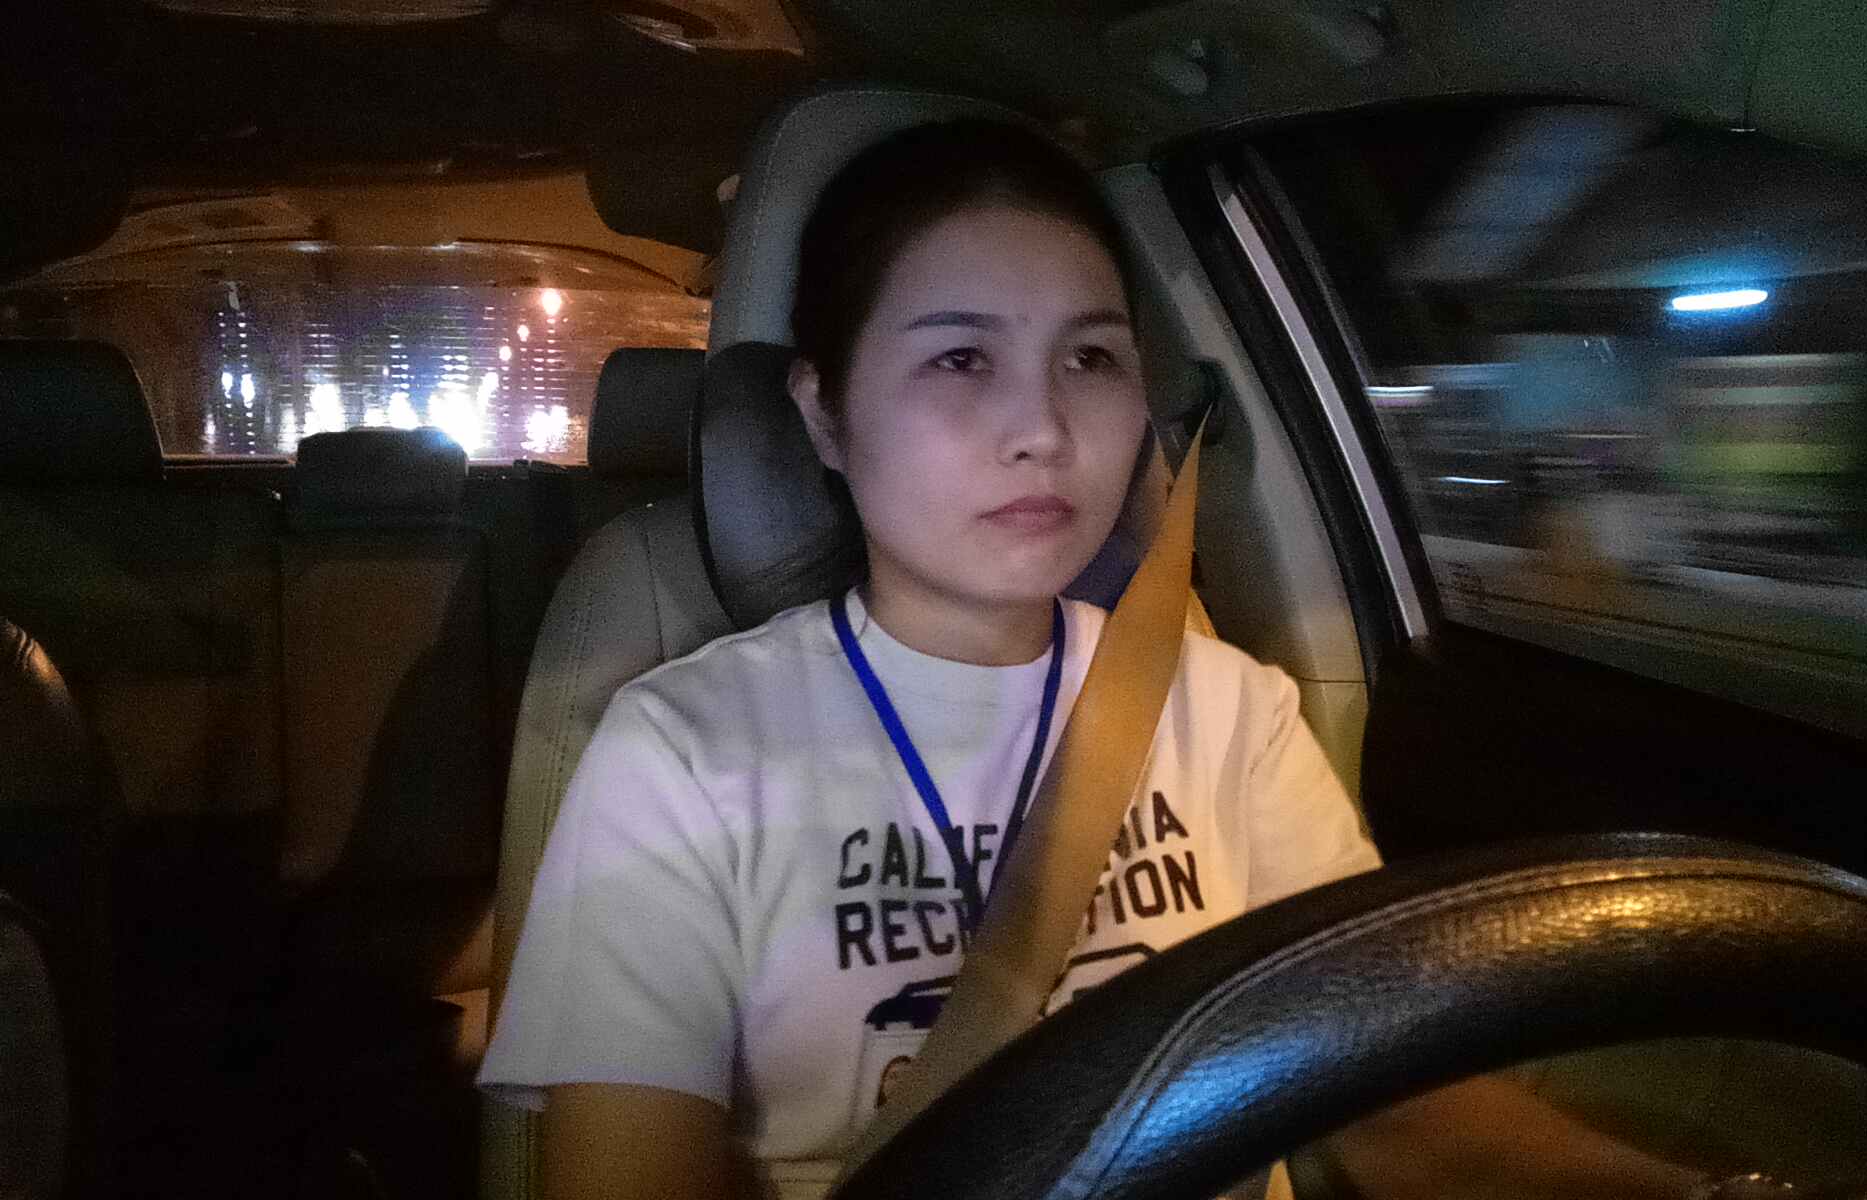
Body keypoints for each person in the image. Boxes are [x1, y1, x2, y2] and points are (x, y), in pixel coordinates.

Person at [477, 120, 1792, 1200]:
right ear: (824, 414)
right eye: (960, 358)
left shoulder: (1230, 708)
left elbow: (1401, 1110)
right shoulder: (683, 752)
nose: (1044, 428)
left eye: (1091, 358)